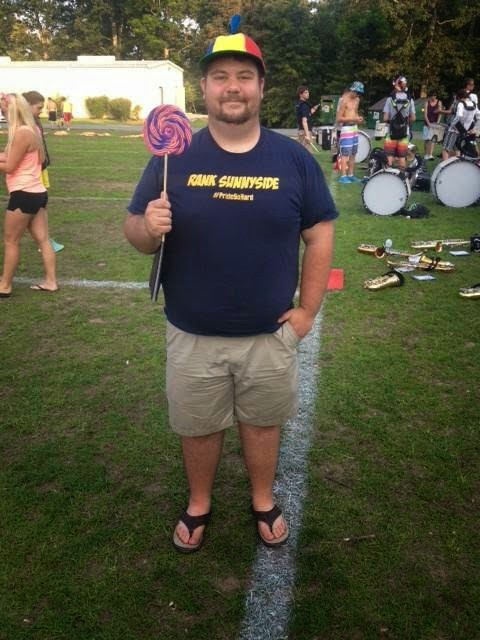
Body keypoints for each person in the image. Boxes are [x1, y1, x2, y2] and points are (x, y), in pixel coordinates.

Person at [124, 31, 338, 552]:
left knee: (263, 424)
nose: (233, 87)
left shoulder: (293, 160)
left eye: (244, 76)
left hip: (269, 334)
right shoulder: (173, 156)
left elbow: (320, 234)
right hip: (192, 332)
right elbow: (135, 234)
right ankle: (199, 502)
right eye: (220, 76)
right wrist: (148, 226)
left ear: (261, 87)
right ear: (204, 88)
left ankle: (262, 498)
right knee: (198, 426)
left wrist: (308, 310)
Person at [0, 93, 58, 297]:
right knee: (43, 240)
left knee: (11, 241)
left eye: (4, 109)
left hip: (24, 195)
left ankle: (5, 286)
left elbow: (9, 166)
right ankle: (51, 282)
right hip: (37, 193)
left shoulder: (22, 132)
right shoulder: (31, 129)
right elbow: (11, 156)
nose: (3, 112)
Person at [23, 90, 64, 253]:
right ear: (27, 106)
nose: (42, 111)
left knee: (42, 204)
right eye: (39, 108)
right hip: (33, 171)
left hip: (41, 168)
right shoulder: (26, 125)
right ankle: (43, 241)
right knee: (36, 207)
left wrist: (44, 162)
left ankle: (44, 239)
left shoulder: (35, 121)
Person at [383, 75, 416, 169]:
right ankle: (401, 176)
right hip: (404, 133)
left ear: (396, 85)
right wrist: (405, 122)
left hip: (391, 133)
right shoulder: (410, 100)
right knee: (402, 158)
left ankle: (389, 175)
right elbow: (413, 118)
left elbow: (385, 118)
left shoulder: (390, 99)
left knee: (389, 158)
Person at [335, 81, 365, 183]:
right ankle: (343, 176)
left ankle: (351, 174)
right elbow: (339, 118)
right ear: (352, 90)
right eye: (357, 92)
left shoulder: (357, 100)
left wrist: (358, 118)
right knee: (345, 153)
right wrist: (353, 119)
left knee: (353, 152)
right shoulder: (344, 100)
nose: (358, 95)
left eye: (359, 93)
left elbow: (355, 113)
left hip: (354, 128)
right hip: (346, 128)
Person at [441, 88, 479, 161]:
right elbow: (479, 117)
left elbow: (459, 115)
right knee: (457, 148)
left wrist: (452, 124)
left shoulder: (460, 104)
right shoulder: (474, 105)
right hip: (464, 131)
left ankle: (445, 166)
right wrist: (475, 128)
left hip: (454, 129)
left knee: (445, 148)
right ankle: (457, 164)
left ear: (459, 97)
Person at [295, 85, 319, 150]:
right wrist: (307, 135)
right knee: (307, 153)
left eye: (308, 92)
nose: (308, 94)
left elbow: (308, 114)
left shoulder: (300, 104)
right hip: (305, 132)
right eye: (305, 92)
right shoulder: (304, 105)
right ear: (300, 94)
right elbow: (304, 121)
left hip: (302, 131)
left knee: (302, 152)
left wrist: (314, 108)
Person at [422, 91, 443, 160]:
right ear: (430, 96)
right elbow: (425, 114)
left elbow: (440, 113)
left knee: (433, 139)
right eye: (432, 96)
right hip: (427, 123)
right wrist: (428, 124)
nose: (433, 97)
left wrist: (437, 123)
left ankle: (430, 155)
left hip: (435, 124)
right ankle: (425, 155)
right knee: (426, 140)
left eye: (435, 96)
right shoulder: (426, 103)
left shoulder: (439, 102)